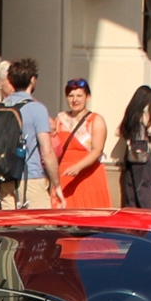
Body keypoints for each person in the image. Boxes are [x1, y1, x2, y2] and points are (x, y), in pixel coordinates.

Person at [0, 59, 58, 209]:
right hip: (31, 178)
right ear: (32, 80)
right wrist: (57, 184)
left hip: (6, 179)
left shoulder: (0, 107)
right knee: (39, 228)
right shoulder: (37, 109)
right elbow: (47, 152)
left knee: (10, 228)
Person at [52, 78, 111, 208]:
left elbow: (97, 150)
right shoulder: (60, 119)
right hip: (64, 174)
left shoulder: (96, 120)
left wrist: (78, 167)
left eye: (79, 95)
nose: (75, 100)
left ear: (87, 97)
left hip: (88, 175)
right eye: (71, 96)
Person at [117, 85, 151, 210]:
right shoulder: (143, 115)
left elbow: (118, 132)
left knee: (131, 188)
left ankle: (132, 214)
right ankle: (147, 215)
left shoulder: (130, 113)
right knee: (144, 186)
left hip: (130, 151)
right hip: (142, 150)